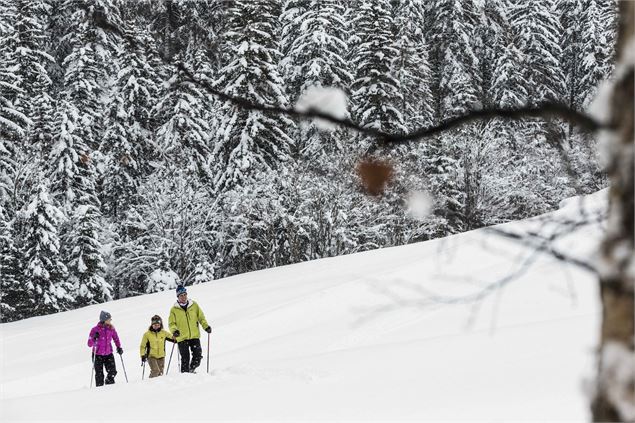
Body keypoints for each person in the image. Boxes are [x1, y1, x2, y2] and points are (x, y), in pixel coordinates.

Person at [168, 285, 211, 373]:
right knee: (185, 358)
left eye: (184, 294)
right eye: (181, 295)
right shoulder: (174, 309)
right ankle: (185, 376)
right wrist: (174, 331)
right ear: (178, 297)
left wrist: (206, 326)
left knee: (198, 356)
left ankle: (191, 370)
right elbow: (171, 323)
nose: (183, 297)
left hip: (194, 336)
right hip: (182, 338)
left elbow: (201, 317)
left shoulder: (194, 305)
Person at [87, 311, 122, 386]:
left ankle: (109, 385)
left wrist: (119, 347)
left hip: (108, 354)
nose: (110, 320)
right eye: (109, 319)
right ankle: (100, 391)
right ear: (104, 320)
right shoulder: (95, 330)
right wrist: (94, 338)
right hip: (97, 355)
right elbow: (89, 344)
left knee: (113, 372)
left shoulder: (111, 329)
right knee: (99, 375)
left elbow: (116, 338)